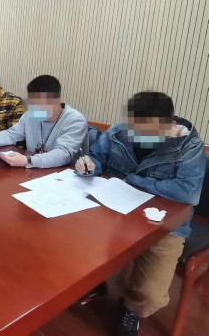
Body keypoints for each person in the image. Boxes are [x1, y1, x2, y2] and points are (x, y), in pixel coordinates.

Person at [74, 91, 205, 336]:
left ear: (168, 124)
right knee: (78, 244)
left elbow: (188, 192)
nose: (137, 135)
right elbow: (98, 158)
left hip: (164, 225)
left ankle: (130, 308)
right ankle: (99, 282)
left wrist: (134, 179)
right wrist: (89, 165)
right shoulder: (118, 132)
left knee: (150, 296)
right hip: (115, 212)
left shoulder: (189, 146)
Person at [0, 75, 87, 168]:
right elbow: (12, 134)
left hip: (62, 175)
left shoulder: (75, 120)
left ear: (57, 101)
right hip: (33, 172)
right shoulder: (30, 116)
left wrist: (28, 160)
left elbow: (63, 154)